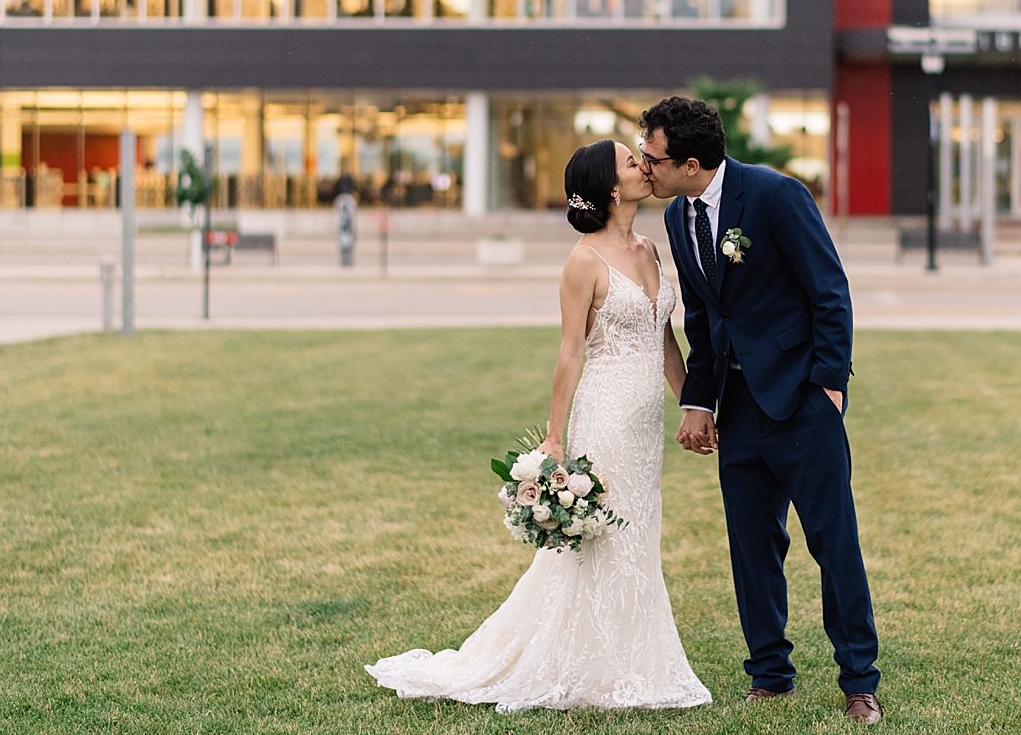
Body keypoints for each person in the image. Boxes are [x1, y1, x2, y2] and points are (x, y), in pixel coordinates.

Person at [366, 139, 711, 713]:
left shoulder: (651, 249)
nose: (645, 167)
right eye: (633, 162)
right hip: (603, 415)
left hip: (646, 423)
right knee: (601, 538)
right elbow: (569, 354)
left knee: (638, 535)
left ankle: (631, 657)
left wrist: (693, 405)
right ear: (608, 187)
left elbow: (663, 338)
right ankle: (585, 665)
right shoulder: (583, 261)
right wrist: (554, 438)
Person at [638, 95, 883, 725]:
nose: (645, 168)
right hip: (738, 409)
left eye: (653, 158)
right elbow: (702, 317)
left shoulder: (776, 196)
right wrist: (697, 400)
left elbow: (830, 290)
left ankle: (859, 681)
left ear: (690, 164)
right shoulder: (677, 218)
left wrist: (828, 386)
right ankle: (770, 675)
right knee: (751, 548)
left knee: (835, 545)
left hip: (802, 403)